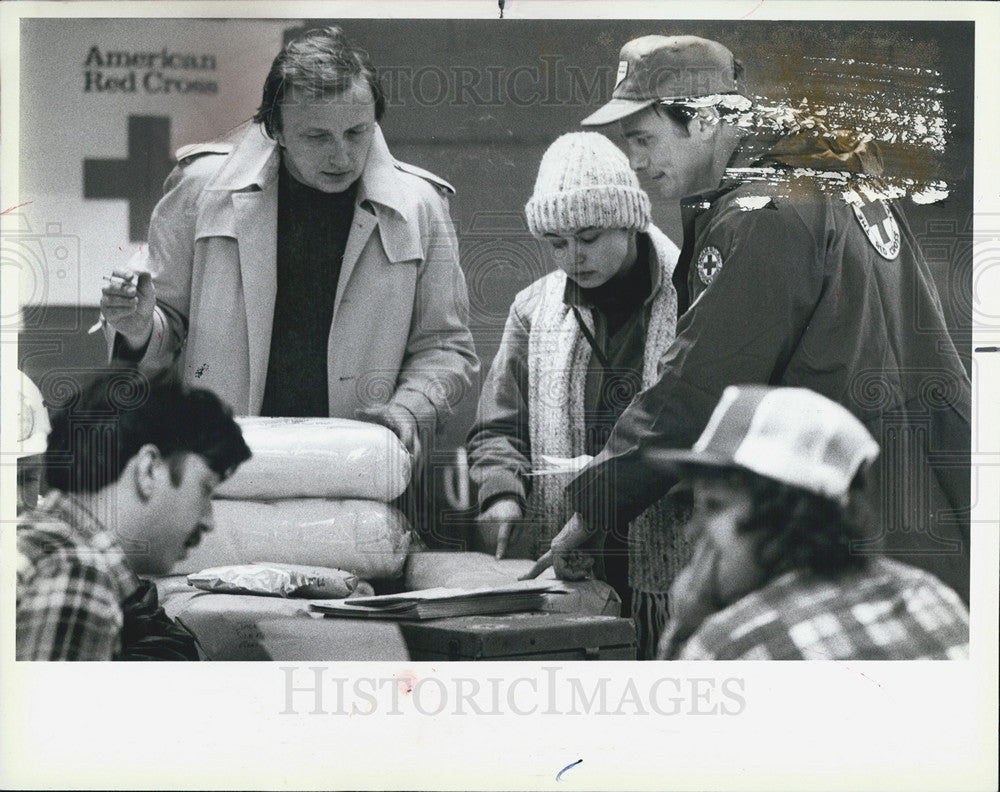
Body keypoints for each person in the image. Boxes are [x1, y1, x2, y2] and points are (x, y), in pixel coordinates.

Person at [525, 35, 972, 603]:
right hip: (927, 497)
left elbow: (699, 385)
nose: (634, 162)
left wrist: (593, 509)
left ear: (707, 120)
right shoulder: (841, 169)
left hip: (844, 516)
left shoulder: (764, 211)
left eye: (643, 138)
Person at [98, 26, 478, 465]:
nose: (342, 156)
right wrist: (140, 326)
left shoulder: (420, 207)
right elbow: (167, 327)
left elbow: (446, 347)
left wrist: (409, 409)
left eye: (358, 132)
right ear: (274, 128)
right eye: (317, 137)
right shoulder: (201, 191)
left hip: (356, 464)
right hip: (216, 460)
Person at [466, 132, 689, 658]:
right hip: (570, 559)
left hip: (677, 569)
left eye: (588, 236)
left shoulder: (694, 297)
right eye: (557, 243)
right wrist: (500, 490)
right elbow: (498, 425)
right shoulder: (532, 310)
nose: (573, 258)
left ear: (630, 221)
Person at [652, 384, 969, 660]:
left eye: (715, 505)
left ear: (787, 514)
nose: (692, 530)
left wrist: (687, 626)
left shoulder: (730, 643)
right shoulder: (929, 593)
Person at [16, 368, 252, 660]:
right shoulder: (77, 570)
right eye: (205, 489)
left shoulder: (42, 546)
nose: (208, 520)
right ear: (148, 470)